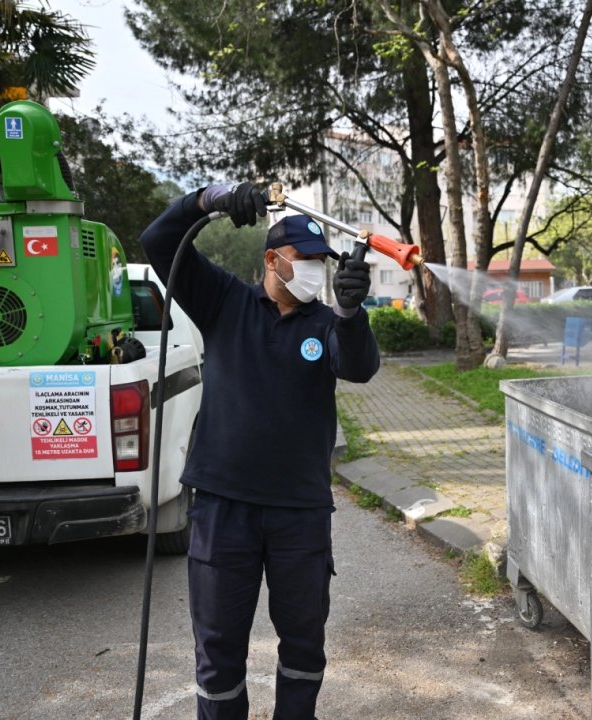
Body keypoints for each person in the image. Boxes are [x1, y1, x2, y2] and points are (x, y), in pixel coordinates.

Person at [140, 182, 379, 720]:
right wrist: (210, 199)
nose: (318, 271)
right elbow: (158, 241)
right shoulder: (223, 301)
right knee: (219, 650)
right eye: (308, 260)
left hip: (301, 512)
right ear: (273, 259)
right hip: (224, 509)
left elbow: (360, 367)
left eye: (325, 262)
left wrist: (348, 311)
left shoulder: (326, 322)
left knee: (302, 645)